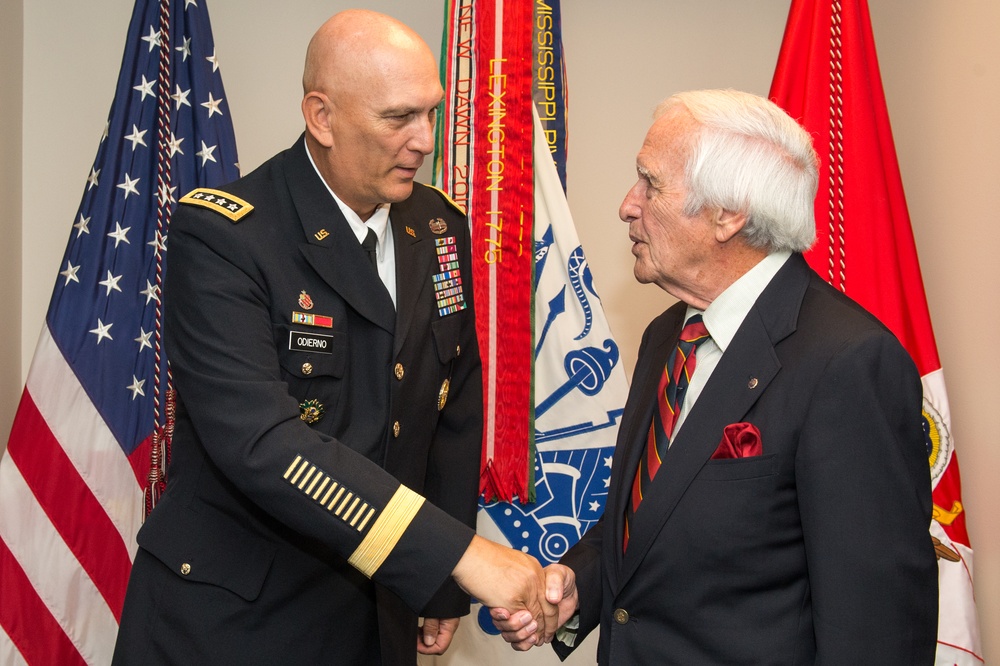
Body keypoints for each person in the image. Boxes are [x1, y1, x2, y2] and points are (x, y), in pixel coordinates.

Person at [113, 10, 555, 665]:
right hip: (236, 619)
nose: (424, 141)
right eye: (399, 117)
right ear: (322, 117)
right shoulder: (225, 237)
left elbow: (453, 404)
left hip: (375, 610)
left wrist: (436, 586)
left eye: (431, 114)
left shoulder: (437, 227)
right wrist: (458, 555)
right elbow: (266, 445)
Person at [492, 89, 938, 663]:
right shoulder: (667, 335)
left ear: (728, 214)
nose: (628, 205)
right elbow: (644, 523)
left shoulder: (847, 364)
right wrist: (579, 587)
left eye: (650, 183)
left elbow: (877, 631)